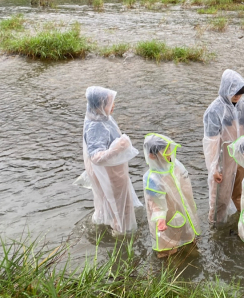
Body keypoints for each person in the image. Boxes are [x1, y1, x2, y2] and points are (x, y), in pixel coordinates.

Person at [203, 70, 244, 225]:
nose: (238, 97)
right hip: (225, 158)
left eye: (240, 94)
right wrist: (214, 168)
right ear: (226, 90)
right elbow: (211, 142)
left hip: (242, 156)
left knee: (242, 191)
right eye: (235, 94)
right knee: (220, 196)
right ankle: (216, 226)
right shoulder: (214, 111)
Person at [78, 86, 141, 235]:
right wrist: (117, 148)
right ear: (99, 104)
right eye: (109, 103)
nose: (113, 106)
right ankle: (121, 237)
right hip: (109, 174)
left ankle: (109, 228)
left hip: (113, 172)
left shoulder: (100, 116)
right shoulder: (95, 125)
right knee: (119, 207)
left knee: (113, 203)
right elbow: (95, 157)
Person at [142, 133, 201, 258]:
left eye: (169, 149)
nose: (169, 153)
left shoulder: (175, 165)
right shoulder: (152, 178)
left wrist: (190, 205)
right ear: (152, 156)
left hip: (181, 210)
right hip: (166, 218)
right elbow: (155, 202)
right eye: (164, 152)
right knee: (168, 248)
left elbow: (185, 186)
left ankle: (190, 257)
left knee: (188, 239)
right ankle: (169, 270)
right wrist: (160, 218)